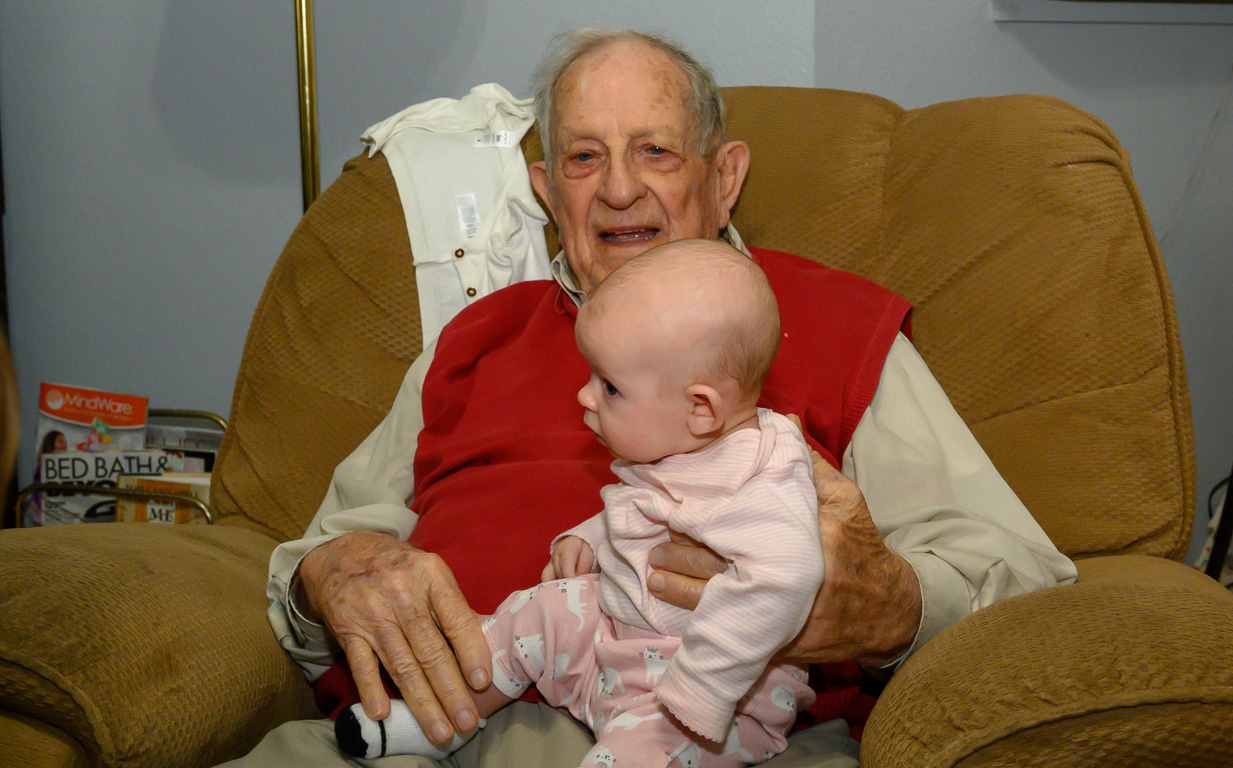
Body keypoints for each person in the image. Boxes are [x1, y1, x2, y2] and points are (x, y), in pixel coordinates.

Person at [229, 27, 1076, 768]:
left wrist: (893, 604)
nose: (619, 189)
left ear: (724, 176)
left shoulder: (835, 328)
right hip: (420, 728)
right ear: (546, 190)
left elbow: (1024, 575)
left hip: (700, 741)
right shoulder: (472, 339)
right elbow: (318, 556)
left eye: (656, 152)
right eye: (584, 156)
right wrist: (330, 574)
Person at [336, 240, 823, 767]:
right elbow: (653, 509)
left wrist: (703, 688)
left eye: (610, 387)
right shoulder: (683, 439)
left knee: (640, 753)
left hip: (709, 698)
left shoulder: (763, 473)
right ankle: (445, 718)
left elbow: (788, 575)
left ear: (701, 407)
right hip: (617, 642)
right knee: (539, 610)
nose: (585, 397)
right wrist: (589, 537)